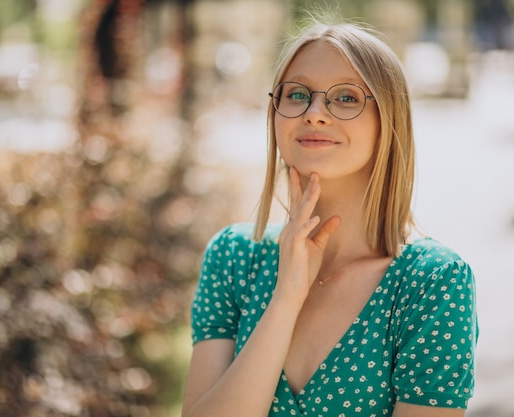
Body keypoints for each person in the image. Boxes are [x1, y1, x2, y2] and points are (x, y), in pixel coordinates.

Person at [182, 16, 478, 417]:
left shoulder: (431, 283)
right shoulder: (234, 257)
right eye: (297, 94)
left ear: (388, 120)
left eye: (346, 97)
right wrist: (286, 298)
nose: (315, 113)